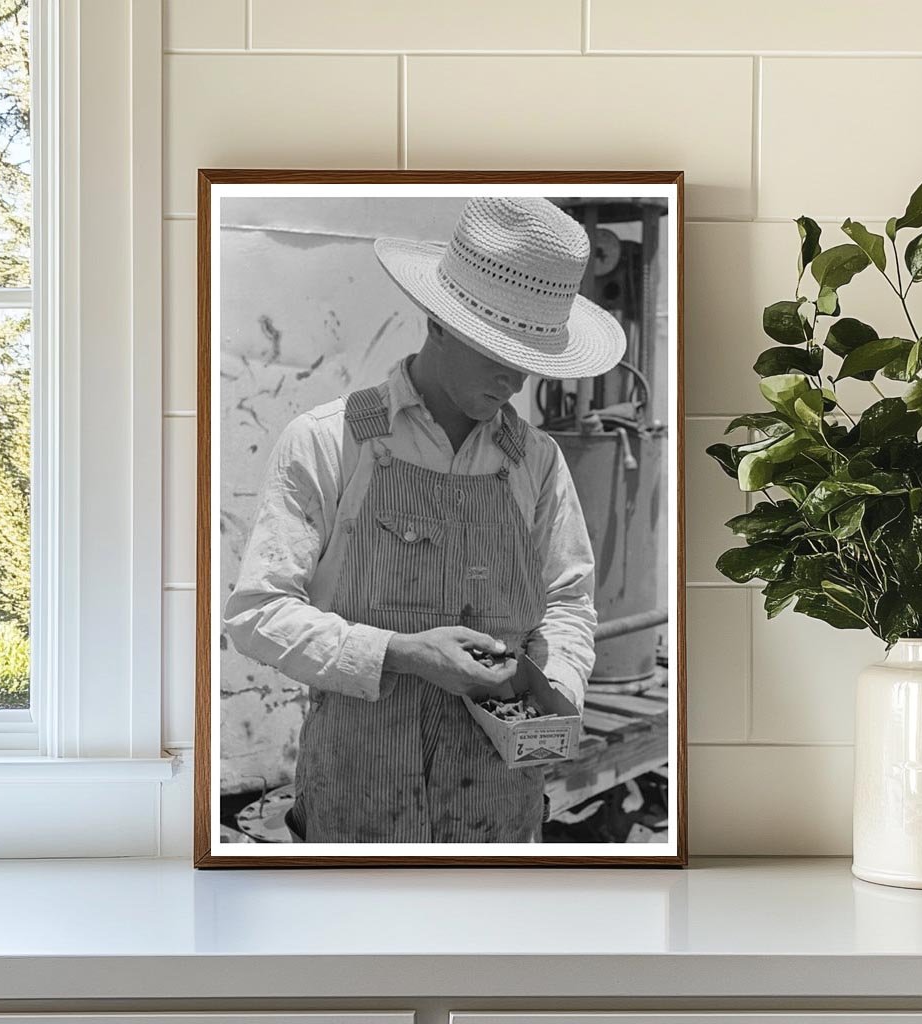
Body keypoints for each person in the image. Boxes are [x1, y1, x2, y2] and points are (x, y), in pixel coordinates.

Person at [222, 196, 626, 843]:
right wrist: (401, 654)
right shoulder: (330, 442)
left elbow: (570, 604)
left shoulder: (538, 463)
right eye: (497, 351)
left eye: (529, 357)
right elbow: (257, 613)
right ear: (438, 321)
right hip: (357, 812)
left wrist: (552, 692)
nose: (514, 380)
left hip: (500, 813)